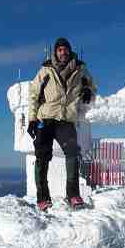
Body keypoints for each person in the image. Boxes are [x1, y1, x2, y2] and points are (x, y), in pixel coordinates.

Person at [27, 37, 96, 211]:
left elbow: (92, 86)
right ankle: (43, 198)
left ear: (69, 51)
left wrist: (88, 89)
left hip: (66, 118)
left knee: (72, 152)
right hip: (46, 118)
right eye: (59, 50)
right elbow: (34, 93)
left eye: (65, 49)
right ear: (55, 52)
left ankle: (72, 194)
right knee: (42, 156)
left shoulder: (81, 69)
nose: (62, 52)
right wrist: (32, 119)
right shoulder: (46, 69)